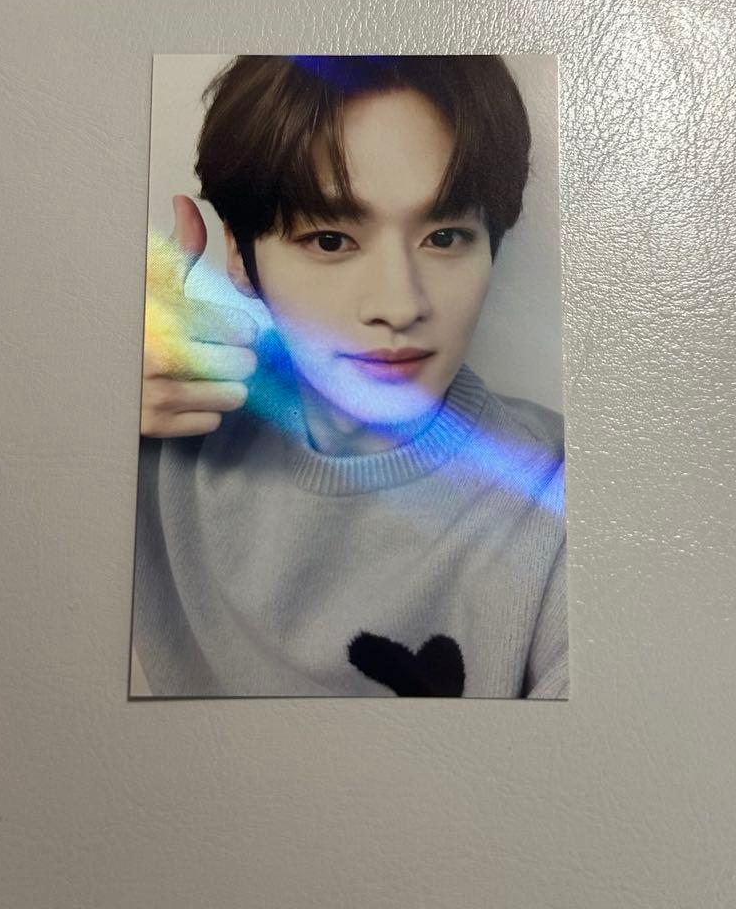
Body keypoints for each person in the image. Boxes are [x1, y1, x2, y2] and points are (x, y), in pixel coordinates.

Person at [131, 55, 567, 698]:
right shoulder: (145, 437)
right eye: (331, 240)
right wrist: (65, 389)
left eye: (446, 237)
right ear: (240, 256)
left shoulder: (569, 492)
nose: (398, 305)